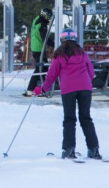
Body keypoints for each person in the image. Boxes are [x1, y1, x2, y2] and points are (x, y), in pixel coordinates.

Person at [33, 28, 102, 160]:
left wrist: (43, 89)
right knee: (86, 118)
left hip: (69, 89)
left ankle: (69, 149)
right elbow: (91, 73)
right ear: (75, 39)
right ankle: (94, 149)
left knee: (69, 119)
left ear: (61, 39)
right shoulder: (82, 53)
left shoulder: (59, 55)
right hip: (85, 88)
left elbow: (51, 75)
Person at [24, 7, 53, 96]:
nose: (49, 19)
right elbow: (44, 38)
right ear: (44, 15)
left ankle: (42, 88)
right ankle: (31, 89)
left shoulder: (37, 20)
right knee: (40, 69)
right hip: (39, 49)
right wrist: (53, 44)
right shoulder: (42, 24)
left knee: (43, 68)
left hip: (36, 48)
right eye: (48, 16)